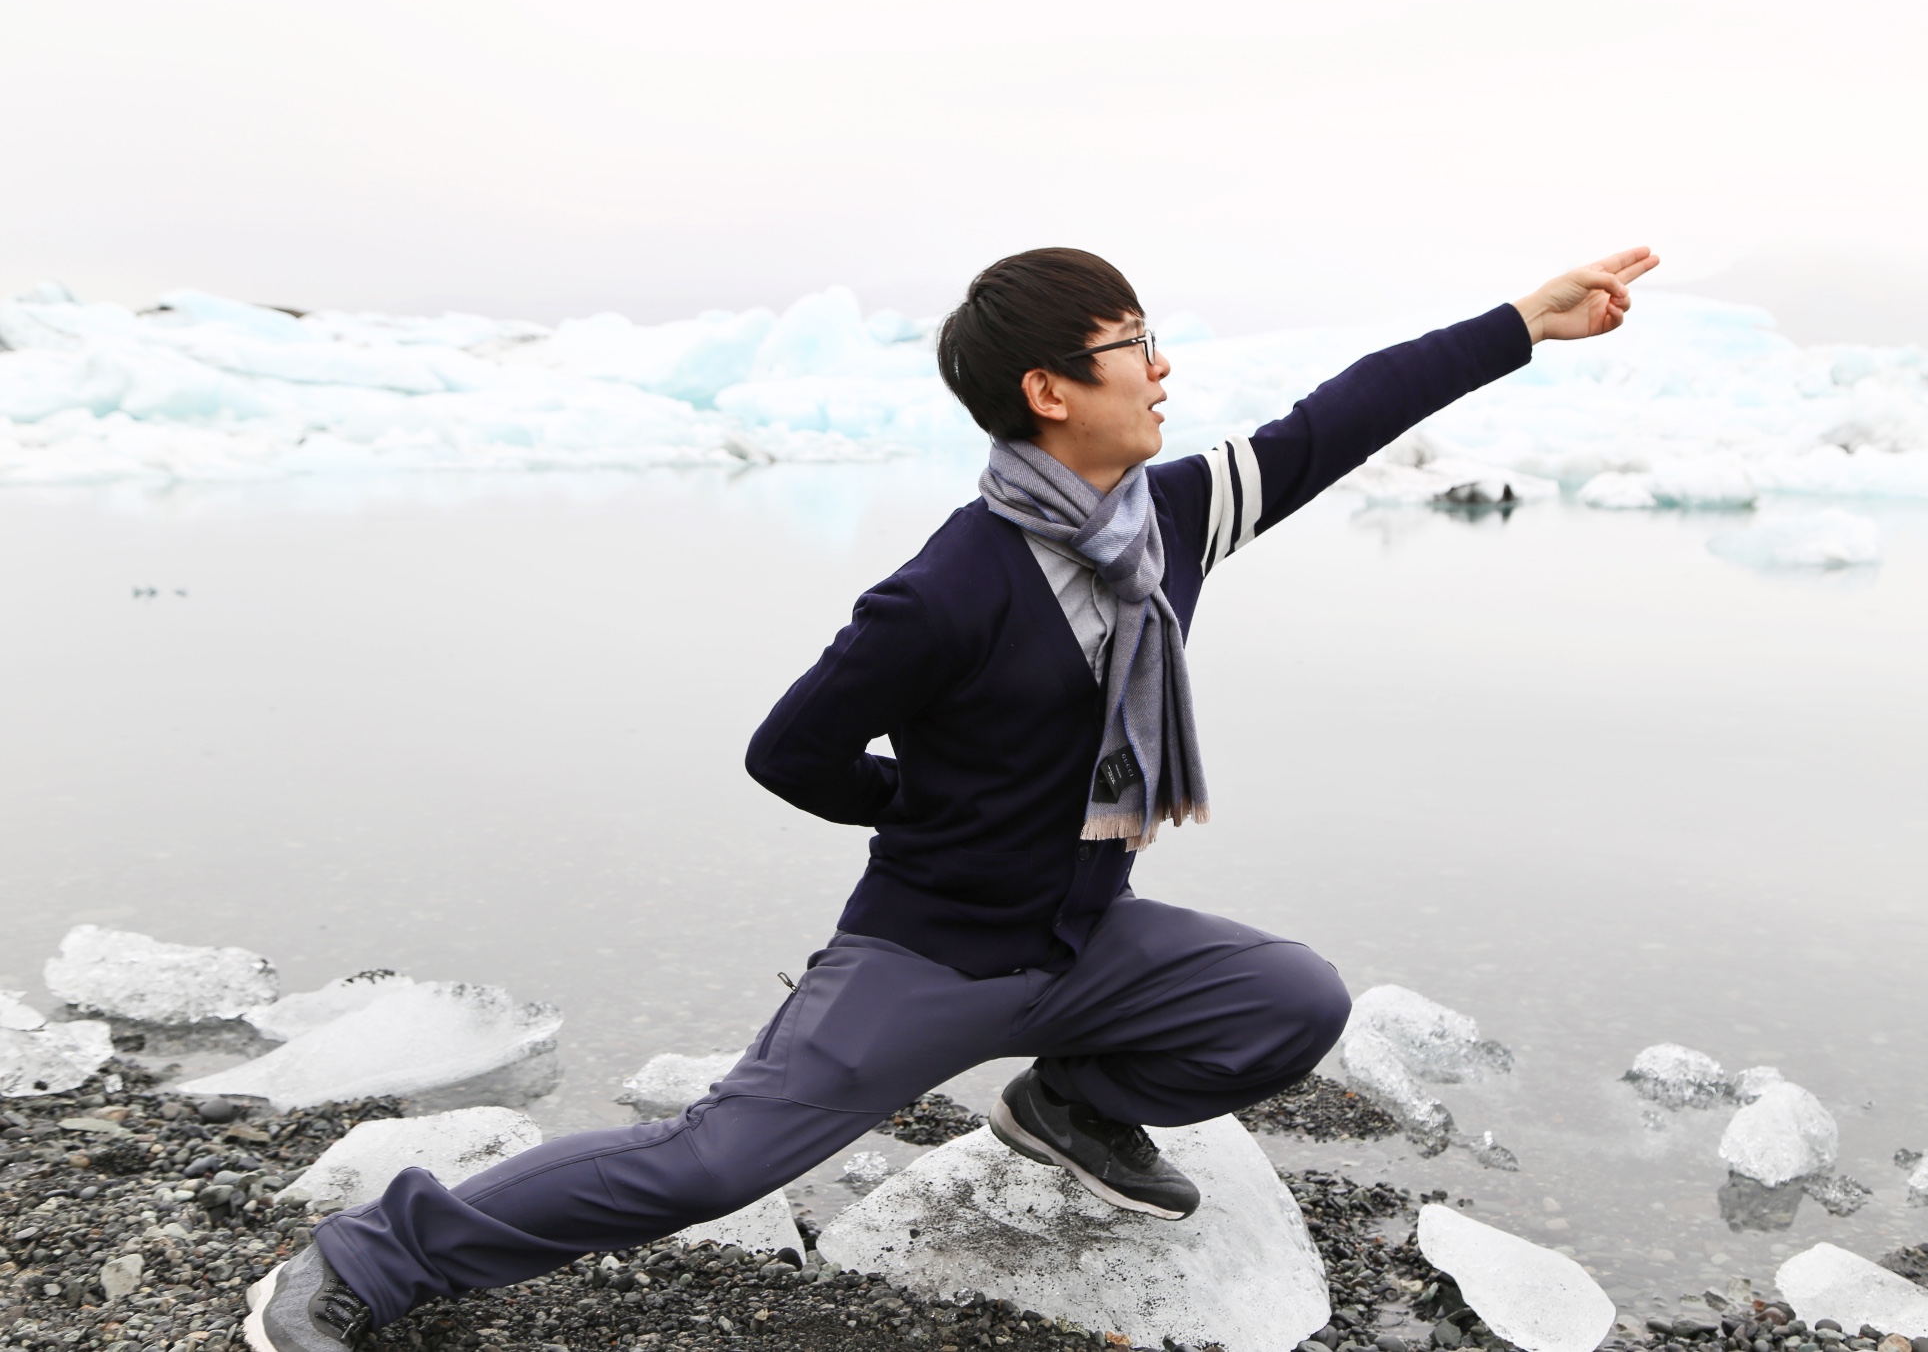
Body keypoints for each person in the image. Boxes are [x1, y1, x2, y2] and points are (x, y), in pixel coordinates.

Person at [244, 243, 1658, 1352]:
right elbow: (788, 749)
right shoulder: (944, 591)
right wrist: (926, 817)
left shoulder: (1170, 520)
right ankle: (365, 1260)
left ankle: (1071, 1103)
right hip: (924, 956)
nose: (1160, 371)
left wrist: (1522, 323)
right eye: (1131, 347)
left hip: (1076, 946)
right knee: (703, 1165)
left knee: (1291, 998)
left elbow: (1340, 416)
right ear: (1051, 388)